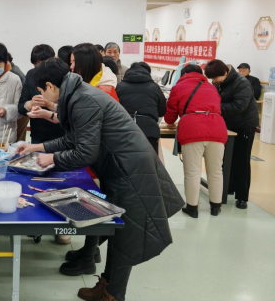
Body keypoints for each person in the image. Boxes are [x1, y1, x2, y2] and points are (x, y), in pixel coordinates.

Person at [16, 59, 183, 301]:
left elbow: (85, 152)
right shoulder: (78, 94)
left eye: (42, 90)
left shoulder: (83, 99)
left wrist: (52, 158)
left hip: (130, 170)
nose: (42, 96)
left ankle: (112, 295)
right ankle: (106, 284)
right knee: (118, 230)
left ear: (50, 86)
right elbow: (74, 138)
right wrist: (38, 147)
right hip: (121, 167)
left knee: (126, 235)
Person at [165, 64, 227, 217]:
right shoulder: (211, 87)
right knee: (216, 171)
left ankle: (192, 208)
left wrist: (171, 121)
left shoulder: (178, 87)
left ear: (183, 74)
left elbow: (170, 116)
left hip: (192, 129)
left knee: (192, 172)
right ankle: (215, 207)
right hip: (217, 129)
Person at [205, 60, 259, 210]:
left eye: (215, 78)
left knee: (242, 160)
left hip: (245, 125)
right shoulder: (220, 82)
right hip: (228, 123)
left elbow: (239, 106)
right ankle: (228, 187)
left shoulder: (242, 83)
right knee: (227, 157)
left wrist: (214, 107)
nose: (214, 81)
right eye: (212, 79)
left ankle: (242, 197)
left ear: (225, 73)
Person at [116, 62, 166, 154]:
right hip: (149, 131)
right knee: (149, 161)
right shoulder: (154, 87)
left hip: (124, 130)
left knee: (125, 161)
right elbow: (162, 110)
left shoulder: (119, 86)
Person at [19, 44, 65, 144]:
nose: (40, 70)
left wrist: (50, 105)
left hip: (62, 135)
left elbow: (68, 111)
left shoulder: (63, 75)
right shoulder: (31, 75)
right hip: (38, 134)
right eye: (37, 66)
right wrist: (30, 104)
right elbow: (21, 107)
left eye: (43, 66)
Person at [8, 52, 29, 141]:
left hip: (20, 111)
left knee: (17, 140)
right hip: (19, 109)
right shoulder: (13, 69)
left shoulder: (14, 73)